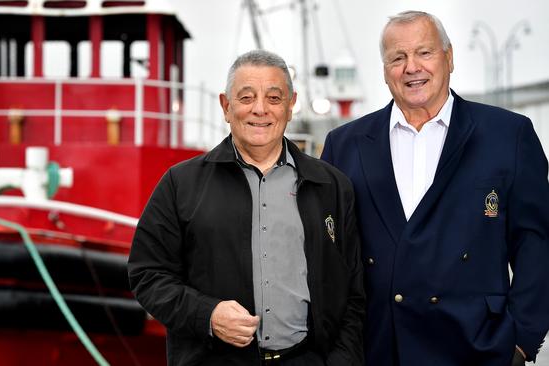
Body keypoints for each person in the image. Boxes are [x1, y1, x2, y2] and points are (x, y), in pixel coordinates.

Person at [321, 10, 549, 366]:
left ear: (449, 57)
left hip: (476, 348)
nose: (412, 67)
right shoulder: (344, 144)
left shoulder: (509, 135)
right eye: (397, 58)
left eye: (424, 52)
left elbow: (536, 245)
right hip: (377, 349)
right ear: (385, 71)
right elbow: (332, 259)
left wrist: (522, 341)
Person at [128, 49, 365, 365]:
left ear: (291, 106)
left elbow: (353, 293)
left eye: (274, 98)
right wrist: (207, 315)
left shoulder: (333, 186)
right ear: (226, 106)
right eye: (246, 98)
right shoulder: (179, 184)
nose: (260, 110)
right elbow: (147, 273)